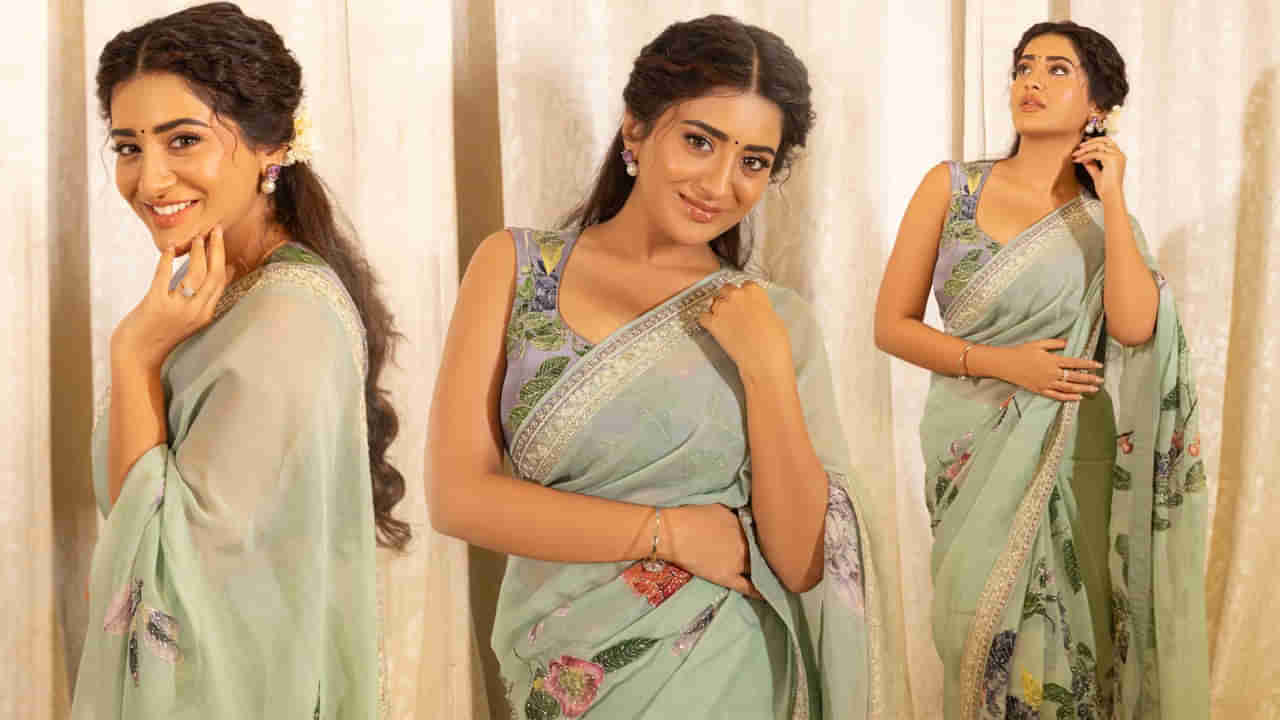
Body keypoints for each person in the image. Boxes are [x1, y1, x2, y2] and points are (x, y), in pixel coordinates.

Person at [428, 14, 880, 719]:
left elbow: (800, 560)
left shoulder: (773, 318)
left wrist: (766, 369)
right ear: (635, 130)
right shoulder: (516, 268)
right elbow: (458, 498)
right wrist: (668, 532)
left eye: (753, 162)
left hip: (722, 671)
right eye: (700, 141)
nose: (720, 184)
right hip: (559, 666)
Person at [72, 4, 406, 718]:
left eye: (183, 140)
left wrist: (133, 355)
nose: (150, 181)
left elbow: (171, 578)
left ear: (272, 147)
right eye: (128, 147)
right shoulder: (222, 292)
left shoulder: (286, 317)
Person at [875, 20, 1208, 720]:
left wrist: (1113, 197)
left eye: (1058, 70)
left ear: (1099, 107)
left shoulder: (1103, 219)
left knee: (1076, 642)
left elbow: (1135, 326)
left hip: (1073, 449)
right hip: (973, 447)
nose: (1031, 81)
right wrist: (1004, 364)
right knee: (973, 627)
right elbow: (891, 326)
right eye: (1025, 66)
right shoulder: (951, 188)